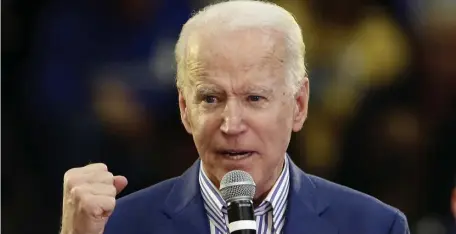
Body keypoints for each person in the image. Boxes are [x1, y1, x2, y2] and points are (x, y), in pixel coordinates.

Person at [59, 1, 410, 234]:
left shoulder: (374, 227)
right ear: (185, 110)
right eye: (211, 99)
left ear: (299, 105)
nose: (231, 124)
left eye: (255, 98)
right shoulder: (119, 226)